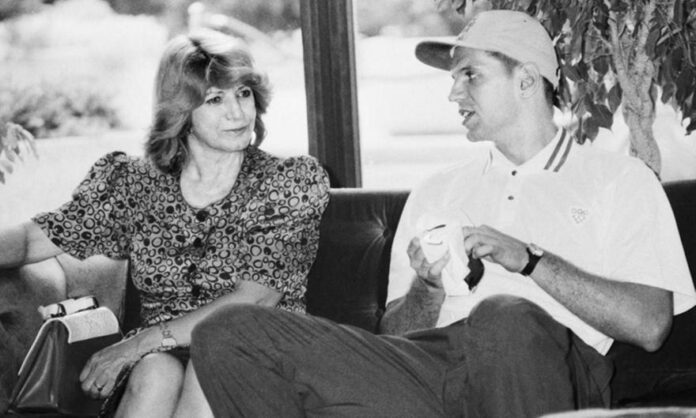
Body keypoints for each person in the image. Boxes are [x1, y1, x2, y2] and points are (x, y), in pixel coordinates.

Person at [183, 10, 696, 417]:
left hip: (551, 372)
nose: (453, 93)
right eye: (454, 79)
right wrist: (426, 289)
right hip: (429, 373)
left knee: (502, 316)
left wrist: (530, 261)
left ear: (526, 80)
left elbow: (649, 325)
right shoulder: (436, 190)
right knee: (228, 332)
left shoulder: (617, 179)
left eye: (471, 75)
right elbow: (395, 337)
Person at [0, 29, 330, 417]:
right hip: (160, 358)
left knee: (208, 369)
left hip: (259, 355)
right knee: (155, 373)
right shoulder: (135, 184)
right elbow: (33, 240)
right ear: (180, 111)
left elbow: (255, 300)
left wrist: (136, 344)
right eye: (215, 99)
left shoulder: (287, 183)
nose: (238, 113)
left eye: (243, 93)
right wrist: (145, 349)